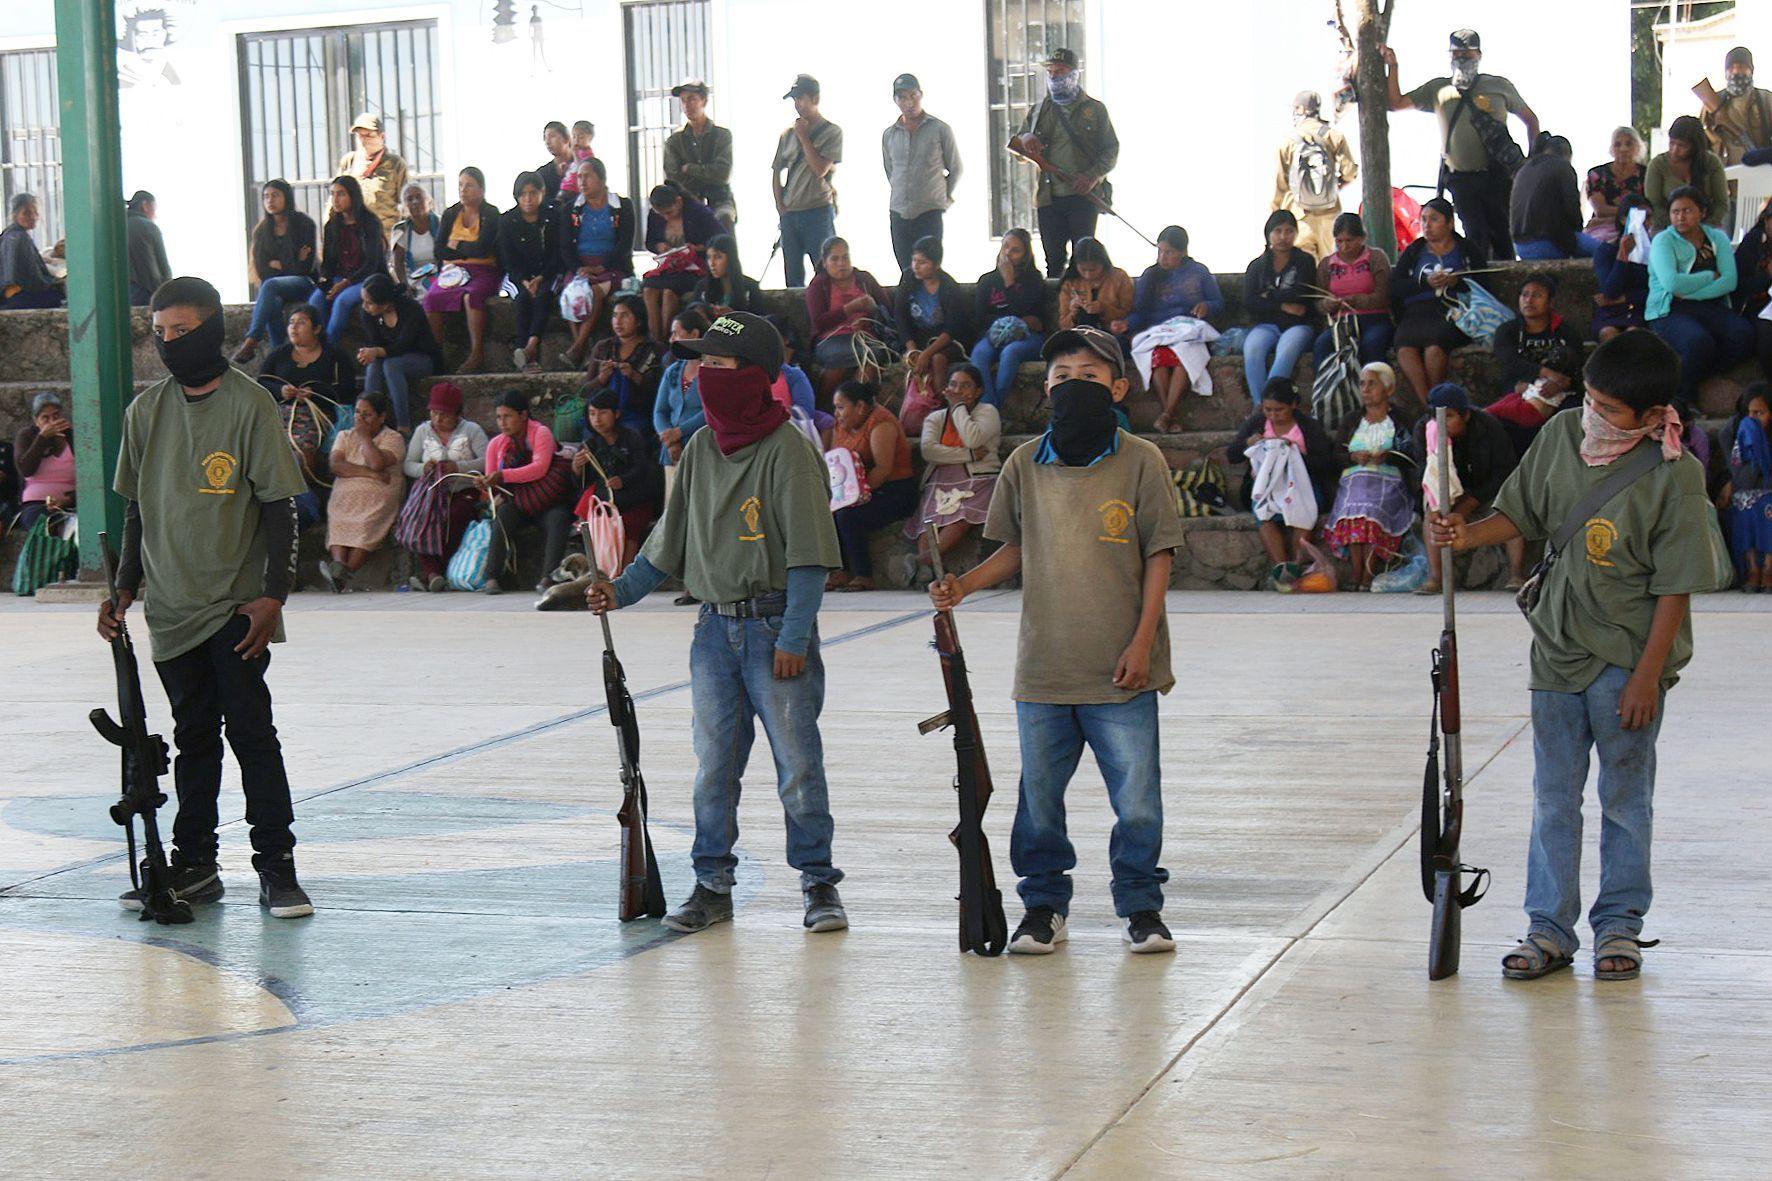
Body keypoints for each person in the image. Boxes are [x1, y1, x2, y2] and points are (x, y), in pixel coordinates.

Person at [1430, 330, 1733, 981]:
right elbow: (1521, 511)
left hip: (1627, 660)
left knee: (1625, 798)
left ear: (1653, 417)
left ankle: (1619, 925)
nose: (1592, 415)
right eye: (1589, 399)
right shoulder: (1564, 432)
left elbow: (1675, 587)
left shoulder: (1675, 474)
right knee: (1552, 797)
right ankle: (1548, 927)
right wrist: (1465, 534)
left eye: (1610, 409)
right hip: (1557, 652)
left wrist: (1648, 677)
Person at [587, 312, 848, 936]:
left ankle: (818, 884)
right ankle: (712, 885)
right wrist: (620, 591)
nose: (701, 375)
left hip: (774, 625)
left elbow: (811, 557)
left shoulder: (789, 450)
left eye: (719, 365)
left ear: (755, 377)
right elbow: (667, 539)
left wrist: (793, 639)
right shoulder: (701, 448)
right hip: (713, 631)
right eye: (700, 364)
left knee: (798, 764)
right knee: (714, 764)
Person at [928, 324, 1183, 955]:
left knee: (1138, 800)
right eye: (1063, 378)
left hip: (1122, 670)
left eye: (1091, 378)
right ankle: (1043, 905)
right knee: (1038, 800)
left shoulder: (1142, 461)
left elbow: (1159, 556)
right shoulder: (1023, 464)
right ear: (1045, 388)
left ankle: (1142, 907)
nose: (1075, 387)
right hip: (1043, 670)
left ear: (1119, 387)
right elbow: (1015, 548)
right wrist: (963, 584)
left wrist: (1142, 642)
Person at [99, 275, 313, 919]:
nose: (168, 344)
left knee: (252, 733)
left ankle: (277, 866)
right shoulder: (145, 412)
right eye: (159, 333)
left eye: (181, 331)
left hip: (237, 608)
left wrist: (274, 595)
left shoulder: (250, 406)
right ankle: (194, 864)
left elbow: (281, 509)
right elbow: (136, 511)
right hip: (170, 608)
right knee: (193, 736)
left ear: (214, 329)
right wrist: (123, 589)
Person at [1384, 30, 1538, 262]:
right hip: (1461, 178)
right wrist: (1393, 66)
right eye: (1456, 54)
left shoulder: (1498, 86)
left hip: (1497, 176)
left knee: (1502, 235)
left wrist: (1531, 162)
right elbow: (1395, 103)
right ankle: (1478, 285)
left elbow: (1530, 120)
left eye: (1467, 53)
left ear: (1479, 54)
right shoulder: (1438, 89)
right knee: (1475, 235)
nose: (1462, 58)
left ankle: (1506, 287)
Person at [1013, 48, 1119, 278]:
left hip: (1083, 195)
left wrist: (1092, 176)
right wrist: (1026, 140)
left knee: (1084, 258)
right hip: (1049, 197)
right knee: (1053, 260)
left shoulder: (1095, 110)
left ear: (1073, 74)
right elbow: (1017, 150)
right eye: (1050, 71)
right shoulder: (1039, 111)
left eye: (1059, 71)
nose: (1053, 76)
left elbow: (1111, 150)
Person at [1647, 185, 1755, 411]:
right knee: (1698, 342)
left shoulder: (1717, 238)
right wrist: (1708, 276)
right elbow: (1672, 283)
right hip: (1671, 308)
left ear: (1702, 212)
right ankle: (1679, 398)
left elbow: (1729, 281)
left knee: (1743, 334)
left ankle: (1701, 377)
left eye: (1687, 210)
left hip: (1712, 305)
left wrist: (1692, 291)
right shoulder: (1663, 241)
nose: (1680, 217)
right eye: (1675, 212)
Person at [1407, 381, 1519, 593]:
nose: (1441, 423)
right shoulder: (1424, 430)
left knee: (1514, 511)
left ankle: (1516, 574)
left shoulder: (1488, 427)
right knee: (1431, 514)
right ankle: (1436, 577)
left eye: (1448, 417)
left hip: (1487, 493)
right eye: (1436, 417)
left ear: (1465, 416)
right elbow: (1425, 473)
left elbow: (1504, 472)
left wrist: (1470, 501)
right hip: (1447, 494)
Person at [1226, 377, 1338, 589]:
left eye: (1279, 410)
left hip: (1301, 484)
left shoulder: (1307, 427)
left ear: (1294, 405)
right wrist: (1247, 444)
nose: (1273, 416)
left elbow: (1326, 463)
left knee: (1304, 511)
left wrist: (1294, 453)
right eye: (1268, 410)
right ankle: (1282, 568)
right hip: (1266, 486)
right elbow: (1232, 454)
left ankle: (1295, 566)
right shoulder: (1257, 423)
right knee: (1263, 513)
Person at [902, 362, 1000, 587]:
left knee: (963, 511)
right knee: (930, 518)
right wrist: (969, 455)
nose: (958, 391)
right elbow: (929, 451)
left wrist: (958, 409)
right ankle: (929, 569)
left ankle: (921, 561)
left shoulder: (988, 412)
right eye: (954, 385)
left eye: (965, 386)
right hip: (941, 476)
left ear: (978, 391)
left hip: (979, 477)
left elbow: (973, 438)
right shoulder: (935, 418)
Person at [258, 303, 357, 522]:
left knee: (303, 449)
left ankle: (300, 504)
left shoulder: (334, 355)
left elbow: (349, 389)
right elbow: (262, 383)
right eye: (291, 323)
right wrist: (281, 390)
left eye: (301, 323)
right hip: (282, 412)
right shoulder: (279, 354)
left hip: (318, 413)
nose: (294, 328)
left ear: (317, 329)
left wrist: (315, 392)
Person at [1326, 363, 1416, 590]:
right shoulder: (1352, 420)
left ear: (1388, 389)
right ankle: (1358, 573)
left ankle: (1366, 574)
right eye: (1362, 384)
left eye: (1372, 383)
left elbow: (1413, 453)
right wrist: (1353, 457)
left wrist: (1388, 456)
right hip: (1354, 482)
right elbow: (1336, 455)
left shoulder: (1401, 419)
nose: (1365, 389)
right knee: (1356, 509)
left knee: (1371, 509)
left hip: (1389, 484)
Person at [1126, 225, 1225, 432]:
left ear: (1183, 252)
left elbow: (1218, 303)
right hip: (1159, 331)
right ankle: (1171, 415)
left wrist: (1206, 306)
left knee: (1184, 358)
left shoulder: (1199, 272)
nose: (1163, 257)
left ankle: (1167, 415)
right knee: (1158, 361)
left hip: (1189, 330)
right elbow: (1140, 311)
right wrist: (1126, 323)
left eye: (1169, 252)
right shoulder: (1150, 276)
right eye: (1160, 251)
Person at [1391, 197, 1487, 406]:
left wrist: (1456, 281)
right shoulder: (1415, 250)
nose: (1427, 225)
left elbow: (1483, 282)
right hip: (1416, 313)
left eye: (1434, 219)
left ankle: (1437, 399)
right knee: (1405, 347)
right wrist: (1425, 283)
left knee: (1435, 347)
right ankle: (1429, 405)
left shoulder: (1467, 250)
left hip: (1452, 311)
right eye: (1423, 219)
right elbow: (1396, 286)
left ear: (1450, 223)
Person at [397, 381, 488, 592]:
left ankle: (439, 571)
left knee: (454, 516)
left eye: (444, 415)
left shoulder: (472, 430)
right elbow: (408, 464)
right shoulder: (423, 431)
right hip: (431, 491)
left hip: (463, 490)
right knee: (420, 517)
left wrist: (458, 466)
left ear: (457, 414)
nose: (438, 419)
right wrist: (424, 468)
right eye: (434, 413)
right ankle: (432, 572)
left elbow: (486, 461)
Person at [480, 389, 573, 594]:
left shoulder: (541, 433)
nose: (502, 423)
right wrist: (488, 486)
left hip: (546, 500)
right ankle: (492, 576)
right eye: (499, 417)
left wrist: (503, 475)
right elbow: (492, 478)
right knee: (503, 515)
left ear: (523, 415)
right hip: (519, 502)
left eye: (508, 417)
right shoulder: (496, 444)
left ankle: (548, 577)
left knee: (558, 518)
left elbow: (539, 468)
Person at [828, 381, 916, 592]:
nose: (836, 413)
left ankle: (863, 574)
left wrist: (854, 497)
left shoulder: (881, 423)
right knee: (827, 512)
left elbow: (883, 469)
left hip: (894, 490)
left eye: (841, 407)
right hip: (856, 488)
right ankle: (840, 570)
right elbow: (836, 459)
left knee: (848, 515)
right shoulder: (841, 425)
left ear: (859, 407)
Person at [1487, 273, 1585, 454]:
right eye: (1524, 294)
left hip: (1562, 392)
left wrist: (1559, 384)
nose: (1529, 300)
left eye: (1537, 295)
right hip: (1519, 389)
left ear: (1551, 301)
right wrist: (1545, 374)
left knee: (1572, 417)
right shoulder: (1508, 331)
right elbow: (1510, 362)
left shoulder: (1567, 332)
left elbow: (1577, 368)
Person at [318, 390, 405, 593]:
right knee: (338, 515)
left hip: (380, 493)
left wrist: (365, 438)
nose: (359, 418)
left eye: (366, 414)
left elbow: (377, 463)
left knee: (366, 522)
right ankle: (339, 567)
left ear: (381, 417)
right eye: (357, 413)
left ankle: (341, 575)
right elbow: (336, 465)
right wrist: (371, 475)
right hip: (347, 491)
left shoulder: (394, 438)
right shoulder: (344, 436)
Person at [572, 387, 664, 568]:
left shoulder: (632, 437)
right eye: (592, 414)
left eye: (603, 413)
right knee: (592, 513)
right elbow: (584, 481)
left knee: (630, 526)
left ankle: (625, 574)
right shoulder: (589, 445)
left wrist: (624, 480)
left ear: (616, 414)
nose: (597, 419)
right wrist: (577, 467)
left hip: (634, 496)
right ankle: (599, 568)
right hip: (606, 499)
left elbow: (642, 467)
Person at [556, 157, 635, 368]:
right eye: (579, 176)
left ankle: (578, 349)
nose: (582, 181)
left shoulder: (622, 207)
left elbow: (625, 245)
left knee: (595, 292)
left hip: (612, 267)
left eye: (587, 176)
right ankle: (581, 349)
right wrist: (579, 269)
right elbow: (565, 246)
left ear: (602, 179)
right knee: (573, 294)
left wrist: (602, 267)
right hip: (580, 266)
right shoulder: (570, 209)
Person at [424, 167, 502, 374]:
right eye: (460, 185)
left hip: (484, 270)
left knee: (472, 296)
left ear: (481, 189)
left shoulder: (491, 213)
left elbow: (484, 247)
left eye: (469, 185)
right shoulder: (450, 214)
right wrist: (465, 252)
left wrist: (456, 246)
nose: (463, 190)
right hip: (453, 272)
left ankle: (476, 353)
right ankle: (435, 355)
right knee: (432, 298)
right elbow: (439, 250)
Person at [882, 73, 962, 272]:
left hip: (929, 210)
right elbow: (890, 170)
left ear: (920, 95)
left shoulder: (939, 129)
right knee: (906, 271)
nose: (908, 102)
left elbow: (956, 168)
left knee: (930, 268)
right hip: (899, 210)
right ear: (895, 100)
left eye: (912, 95)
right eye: (902, 97)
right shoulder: (889, 134)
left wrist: (943, 197)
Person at [235, 180, 320, 362]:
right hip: (276, 288)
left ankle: (252, 340)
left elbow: (305, 268)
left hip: (304, 283)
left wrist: (279, 265)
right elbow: (262, 270)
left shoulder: (304, 224)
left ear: (286, 197)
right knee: (272, 302)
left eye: (275, 195)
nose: (270, 200)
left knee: (271, 285)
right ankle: (279, 356)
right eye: (266, 196)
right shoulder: (262, 231)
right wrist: (293, 261)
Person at [773, 74, 843, 289]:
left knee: (824, 269)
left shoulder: (831, 132)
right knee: (792, 274)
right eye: (795, 100)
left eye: (801, 99)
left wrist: (804, 137)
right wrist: (780, 206)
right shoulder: (787, 135)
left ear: (815, 99)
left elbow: (820, 169)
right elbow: (776, 171)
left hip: (817, 209)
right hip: (791, 211)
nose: (797, 105)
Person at [1243, 210, 1319, 399]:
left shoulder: (1305, 262)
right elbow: (1249, 301)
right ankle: (1261, 407)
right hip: (1266, 325)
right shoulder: (1257, 266)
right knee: (1252, 350)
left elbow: (1301, 294)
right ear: (1269, 234)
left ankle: (1270, 403)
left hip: (1298, 325)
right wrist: (1283, 305)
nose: (1283, 237)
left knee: (1286, 353)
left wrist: (1268, 295)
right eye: (1278, 231)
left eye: (1289, 231)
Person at [1272, 90, 1357, 257]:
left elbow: (1280, 185)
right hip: (1329, 214)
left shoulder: (1287, 141)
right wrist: (1337, 185)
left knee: (1304, 267)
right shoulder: (1334, 136)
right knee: (1326, 268)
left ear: (1301, 110)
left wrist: (1275, 214)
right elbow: (1350, 172)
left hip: (1299, 215)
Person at [968, 228, 1047, 408]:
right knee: (980, 354)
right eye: (1005, 247)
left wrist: (1009, 283)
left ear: (1025, 255)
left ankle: (995, 408)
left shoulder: (1034, 279)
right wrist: (1002, 324)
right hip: (993, 334)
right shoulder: (987, 280)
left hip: (1027, 337)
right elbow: (979, 318)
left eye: (1015, 250)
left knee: (1010, 353)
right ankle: (989, 408)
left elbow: (1029, 313)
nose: (1008, 253)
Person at [805, 236, 892, 398]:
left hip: (865, 338)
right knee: (840, 362)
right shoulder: (818, 285)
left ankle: (854, 409)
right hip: (831, 340)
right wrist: (850, 309)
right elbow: (818, 322)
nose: (841, 263)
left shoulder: (865, 279)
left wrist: (872, 311)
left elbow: (887, 311)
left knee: (871, 359)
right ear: (825, 263)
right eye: (835, 259)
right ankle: (824, 408)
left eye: (845, 257)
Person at [357, 272, 443, 432]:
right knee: (374, 367)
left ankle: (403, 426)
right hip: (388, 357)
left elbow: (404, 345)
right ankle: (368, 423)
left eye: (369, 303)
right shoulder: (368, 314)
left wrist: (376, 351)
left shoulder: (411, 310)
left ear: (385, 304)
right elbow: (374, 342)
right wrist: (369, 352)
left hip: (422, 358)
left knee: (391, 365)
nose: (364, 306)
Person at [307, 175, 386, 347]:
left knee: (342, 302)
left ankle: (328, 350)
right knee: (315, 301)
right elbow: (328, 263)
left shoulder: (370, 223)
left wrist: (345, 283)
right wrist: (325, 281)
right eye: (332, 194)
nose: (335, 199)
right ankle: (313, 347)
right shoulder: (331, 225)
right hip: (339, 277)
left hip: (366, 279)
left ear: (353, 195)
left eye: (341, 194)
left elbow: (372, 263)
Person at [894, 234, 970, 408]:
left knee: (937, 359)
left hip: (946, 341)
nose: (916, 267)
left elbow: (952, 329)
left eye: (923, 262)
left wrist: (927, 353)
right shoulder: (908, 279)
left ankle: (945, 407)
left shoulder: (950, 287)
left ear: (936, 265)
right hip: (918, 338)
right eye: (914, 261)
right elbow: (900, 317)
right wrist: (913, 351)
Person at [1312, 212, 1394, 369]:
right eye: (1339, 241)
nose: (1344, 247)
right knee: (1322, 345)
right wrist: (1328, 304)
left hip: (1374, 320)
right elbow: (1318, 302)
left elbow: (1384, 296)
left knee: (1372, 344)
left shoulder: (1375, 258)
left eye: (1349, 241)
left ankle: (1373, 390)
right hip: (1341, 324)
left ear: (1362, 238)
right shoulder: (1326, 265)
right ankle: (1326, 392)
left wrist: (1356, 300)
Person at [642, 183, 724, 340]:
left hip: (694, 267)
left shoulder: (698, 213)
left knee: (668, 293)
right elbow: (650, 241)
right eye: (662, 214)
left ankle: (667, 337)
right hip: (670, 266)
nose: (666, 217)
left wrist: (697, 248)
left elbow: (720, 239)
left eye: (669, 212)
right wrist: (659, 246)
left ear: (679, 202)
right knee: (648, 288)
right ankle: (655, 338)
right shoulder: (655, 216)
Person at [498, 171, 558, 373]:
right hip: (518, 277)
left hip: (547, 274)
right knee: (523, 300)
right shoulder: (507, 221)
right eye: (523, 194)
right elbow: (507, 260)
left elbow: (558, 255)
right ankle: (523, 351)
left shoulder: (552, 217)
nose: (528, 199)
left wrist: (541, 278)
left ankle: (529, 349)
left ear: (542, 193)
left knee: (544, 296)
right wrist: (524, 282)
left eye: (533, 193)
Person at [585, 293, 664, 444]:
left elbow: (660, 392)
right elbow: (585, 391)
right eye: (615, 316)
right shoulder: (603, 347)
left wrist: (635, 376)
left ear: (639, 321)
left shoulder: (655, 349)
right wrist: (601, 378)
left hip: (637, 415)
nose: (618, 321)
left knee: (632, 435)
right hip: (602, 415)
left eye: (625, 316)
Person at [655, 306, 712, 504]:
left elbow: (710, 410)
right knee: (673, 507)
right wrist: (669, 438)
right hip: (672, 451)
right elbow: (660, 411)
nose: (671, 339)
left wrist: (679, 432)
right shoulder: (673, 371)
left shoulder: (713, 369)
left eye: (676, 333)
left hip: (703, 448)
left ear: (694, 334)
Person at [1511, 134, 1599, 260]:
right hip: (1548, 243)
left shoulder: (1525, 169)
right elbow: (1573, 210)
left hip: (1520, 246)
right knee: (1607, 253)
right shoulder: (1562, 166)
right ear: (1567, 154)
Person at [664, 79, 737, 229]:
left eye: (691, 99)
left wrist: (689, 168)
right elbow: (673, 177)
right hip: (688, 202)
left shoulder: (722, 135)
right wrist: (707, 173)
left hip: (719, 200)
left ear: (704, 101)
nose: (686, 105)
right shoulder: (674, 141)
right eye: (683, 100)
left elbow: (723, 173)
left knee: (724, 220)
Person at [1645, 116, 1729, 229]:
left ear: (1695, 147)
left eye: (1682, 146)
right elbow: (1653, 205)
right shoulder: (1657, 165)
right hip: (1666, 228)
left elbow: (1721, 203)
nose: (1674, 150)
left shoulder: (1711, 162)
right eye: (1672, 143)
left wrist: (1705, 227)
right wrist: (1678, 226)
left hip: (1706, 227)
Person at [1592, 194, 1654, 342]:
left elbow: (1657, 290)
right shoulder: (1606, 251)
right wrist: (1622, 255)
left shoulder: (1655, 249)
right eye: (1640, 217)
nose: (1645, 223)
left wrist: (1626, 298)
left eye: (1649, 217)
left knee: (1634, 334)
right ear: (1624, 219)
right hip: (1611, 313)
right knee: (1609, 334)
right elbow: (1610, 291)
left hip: (1642, 310)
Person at [1728, 384, 1772, 589]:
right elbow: (1740, 476)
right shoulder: (1736, 435)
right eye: (1749, 413)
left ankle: (1769, 568)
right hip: (1746, 489)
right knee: (1744, 508)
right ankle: (1753, 568)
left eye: (1760, 413)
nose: (1752, 419)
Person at [337, 112, 407, 239]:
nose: (363, 140)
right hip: (354, 237)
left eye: (369, 135)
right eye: (359, 136)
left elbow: (406, 204)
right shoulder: (349, 162)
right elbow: (335, 200)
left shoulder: (396, 164)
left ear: (382, 136)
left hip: (385, 237)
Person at [1701, 46, 1772, 167]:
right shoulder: (1713, 102)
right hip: (1723, 173)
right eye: (1731, 67)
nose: (1736, 71)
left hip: (1758, 170)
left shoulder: (1765, 99)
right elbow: (1702, 138)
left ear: (1751, 70)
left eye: (1741, 67)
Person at [14, 390, 75, 530]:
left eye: (56, 416)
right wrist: (42, 438)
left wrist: (69, 499)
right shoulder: (27, 436)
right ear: (36, 421)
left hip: (69, 501)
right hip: (36, 504)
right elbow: (25, 469)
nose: (52, 422)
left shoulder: (72, 436)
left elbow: (89, 474)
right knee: (43, 526)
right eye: (45, 418)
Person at [1057, 236, 1134, 334]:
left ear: (1103, 263)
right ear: (1076, 265)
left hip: (1112, 332)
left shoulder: (1119, 277)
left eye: (1093, 270)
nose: (1088, 275)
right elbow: (1063, 325)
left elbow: (1129, 312)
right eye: (1083, 270)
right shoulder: (1070, 282)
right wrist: (1073, 313)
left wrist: (1104, 308)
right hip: (1079, 334)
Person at [0, 193, 64, 309]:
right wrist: (55, 282)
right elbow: (33, 280)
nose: (33, 217)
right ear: (15, 215)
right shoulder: (19, 237)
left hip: (10, 298)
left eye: (35, 212)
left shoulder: (9, 234)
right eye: (27, 213)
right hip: (18, 298)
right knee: (61, 298)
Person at [1584, 126, 1645, 245]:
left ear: (1637, 148)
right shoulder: (1597, 174)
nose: (1623, 149)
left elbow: (1647, 210)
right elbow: (1600, 210)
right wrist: (1631, 213)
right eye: (1618, 144)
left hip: (1637, 226)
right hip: (1603, 227)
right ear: (1611, 149)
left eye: (1629, 144)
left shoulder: (1646, 175)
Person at [689, 233, 761, 315]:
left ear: (731, 258)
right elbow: (689, 315)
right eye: (709, 257)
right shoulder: (702, 286)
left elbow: (759, 319)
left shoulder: (750, 286)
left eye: (717, 257)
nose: (711, 263)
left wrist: (734, 314)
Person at [390, 184, 440, 297]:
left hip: (440, 275)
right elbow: (398, 264)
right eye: (409, 199)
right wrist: (405, 286)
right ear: (403, 205)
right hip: (413, 278)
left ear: (429, 201)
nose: (415, 202)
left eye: (419, 197)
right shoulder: (400, 230)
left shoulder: (441, 223)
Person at [125, 190, 172, 306]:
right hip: (146, 294)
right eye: (154, 209)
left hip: (119, 294)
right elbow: (163, 267)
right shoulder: (147, 226)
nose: (155, 215)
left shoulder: (114, 226)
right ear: (145, 206)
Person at [535, 120, 575, 203]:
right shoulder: (542, 173)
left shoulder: (584, 167)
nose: (547, 142)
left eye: (552, 136)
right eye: (545, 138)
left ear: (566, 138)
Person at [557, 120, 597, 200]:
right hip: (566, 187)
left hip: (574, 190)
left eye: (581, 137)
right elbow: (574, 168)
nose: (576, 140)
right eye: (574, 137)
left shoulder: (588, 155)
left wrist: (575, 154)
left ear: (590, 137)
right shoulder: (578, 151)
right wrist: (566, 168)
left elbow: (581, 169)